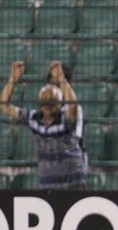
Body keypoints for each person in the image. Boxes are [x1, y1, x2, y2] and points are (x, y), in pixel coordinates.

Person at [1, 60, 88, 189]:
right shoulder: (34, 118)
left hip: (72, 180)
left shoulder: (69, 115)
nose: (48, 105)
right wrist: (13, 80)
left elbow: (73, 105)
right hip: (48, 182)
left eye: (52, 102)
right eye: (45, 102)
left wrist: (61, 79)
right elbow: (5, 106)